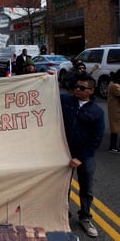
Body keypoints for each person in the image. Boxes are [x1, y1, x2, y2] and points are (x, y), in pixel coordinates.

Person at [60, 75, 105, 237]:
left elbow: (96, 139)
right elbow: (46, 92)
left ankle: (85, 217)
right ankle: (63, 214)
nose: (77, 89)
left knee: (86, 188)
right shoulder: (66, 101)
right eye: (76, 86)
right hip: (66, 152)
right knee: (63, 186)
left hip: (85, 156)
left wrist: (80, 158)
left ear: (91, 91)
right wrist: (48, 78)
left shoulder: (97, 112)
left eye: (82, 88)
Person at [107, 69, 120, 153]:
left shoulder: (114, 83)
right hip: (116, 110)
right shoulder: (115, 86)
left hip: (116, 109)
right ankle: (113, 147)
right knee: (115, 128)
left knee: (116, 128)